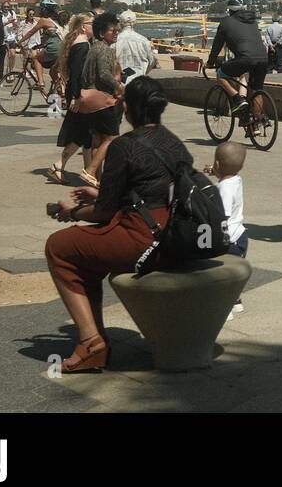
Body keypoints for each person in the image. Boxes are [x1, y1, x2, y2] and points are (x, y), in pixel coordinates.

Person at [44, 76, 182, 372]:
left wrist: (72, 212)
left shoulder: (123, 146)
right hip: (170, 231)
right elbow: (149, 192)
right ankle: (94, 339)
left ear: (129, 109)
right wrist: (101, 195)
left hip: (141, 237)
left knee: (59, 247)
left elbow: (104, 212)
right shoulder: (172, 141)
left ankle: (92, 341)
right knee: (86, 254)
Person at [203, 141, 247, 319]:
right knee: (232, 274)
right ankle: (236, 302)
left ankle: (224, 309)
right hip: (240, 236)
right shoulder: (236, 179)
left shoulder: (224, 188)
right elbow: (226, 175)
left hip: (228, 240)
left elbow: (223, 215)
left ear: (218, 164)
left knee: (220, 274)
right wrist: (214, 172)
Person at [79, 13, 124, 185]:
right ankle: (90, 171)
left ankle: (97, 179)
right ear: (101, 33)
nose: (116, 33)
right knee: (111, 138)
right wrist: (119, 86)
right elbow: (105, 75)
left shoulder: (93, 48)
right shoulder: (104, 49)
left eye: (116, 30)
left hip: (88, 99)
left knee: (97, 140)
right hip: (101, 100)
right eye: (112, 31)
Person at [206, 0, 268, 120]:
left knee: (221, 74)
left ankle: (238, 99)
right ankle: (256, 122)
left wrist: (210, 62)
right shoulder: (252, 21)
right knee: (256, 90)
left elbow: (217, 45)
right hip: (263, 58)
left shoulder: (226, 22)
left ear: (229, 10)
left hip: (245, 59)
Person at [50, 13, 94, 183]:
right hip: (78, 93)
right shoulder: (82, 45)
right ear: (83, 26)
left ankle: (88, 171)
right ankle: (58, 165)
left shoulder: (79, 42)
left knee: (85, 133)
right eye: (92, 23)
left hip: (76, 92)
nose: (94, 26)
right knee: (82, 132)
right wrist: (76, 97)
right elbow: (77, 74)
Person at [17, 0, 63, 94]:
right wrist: (40, 45)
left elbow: (31, 32)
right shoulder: (58, 21)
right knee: (53, 72)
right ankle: (62, 93)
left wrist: (20, 41)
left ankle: (40, 82)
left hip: (53, 48)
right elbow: (52, 37)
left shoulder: (43, 21)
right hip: (62, 50)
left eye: (41, 8)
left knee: (36, 58)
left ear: (45, 9)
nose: (40, 10)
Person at [113, 10, 157, 86]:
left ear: (120, 23)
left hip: (121, 83)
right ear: (134, 23)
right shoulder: (143, 40)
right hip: (139, 82)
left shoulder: (115, 40)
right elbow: (152, 62)